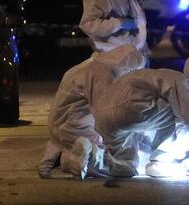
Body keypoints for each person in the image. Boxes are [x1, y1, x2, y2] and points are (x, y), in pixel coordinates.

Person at [38, 45, 145, 179]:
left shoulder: (91, 65)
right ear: (126, 68)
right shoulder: (101, 74)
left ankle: (62, 152)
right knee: (126, 153)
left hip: (63, 125)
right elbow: (107, 114)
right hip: (74, 128)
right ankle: (76, 160)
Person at [92, 68, 189, 178]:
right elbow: (186, 121)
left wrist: (151, 148)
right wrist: (181, 148)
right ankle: (159, 162)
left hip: (101, 117)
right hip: (130, 111)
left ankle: (91, 159)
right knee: (177, 113)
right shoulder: (178, 79)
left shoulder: (143, 75)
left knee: (125, 166)